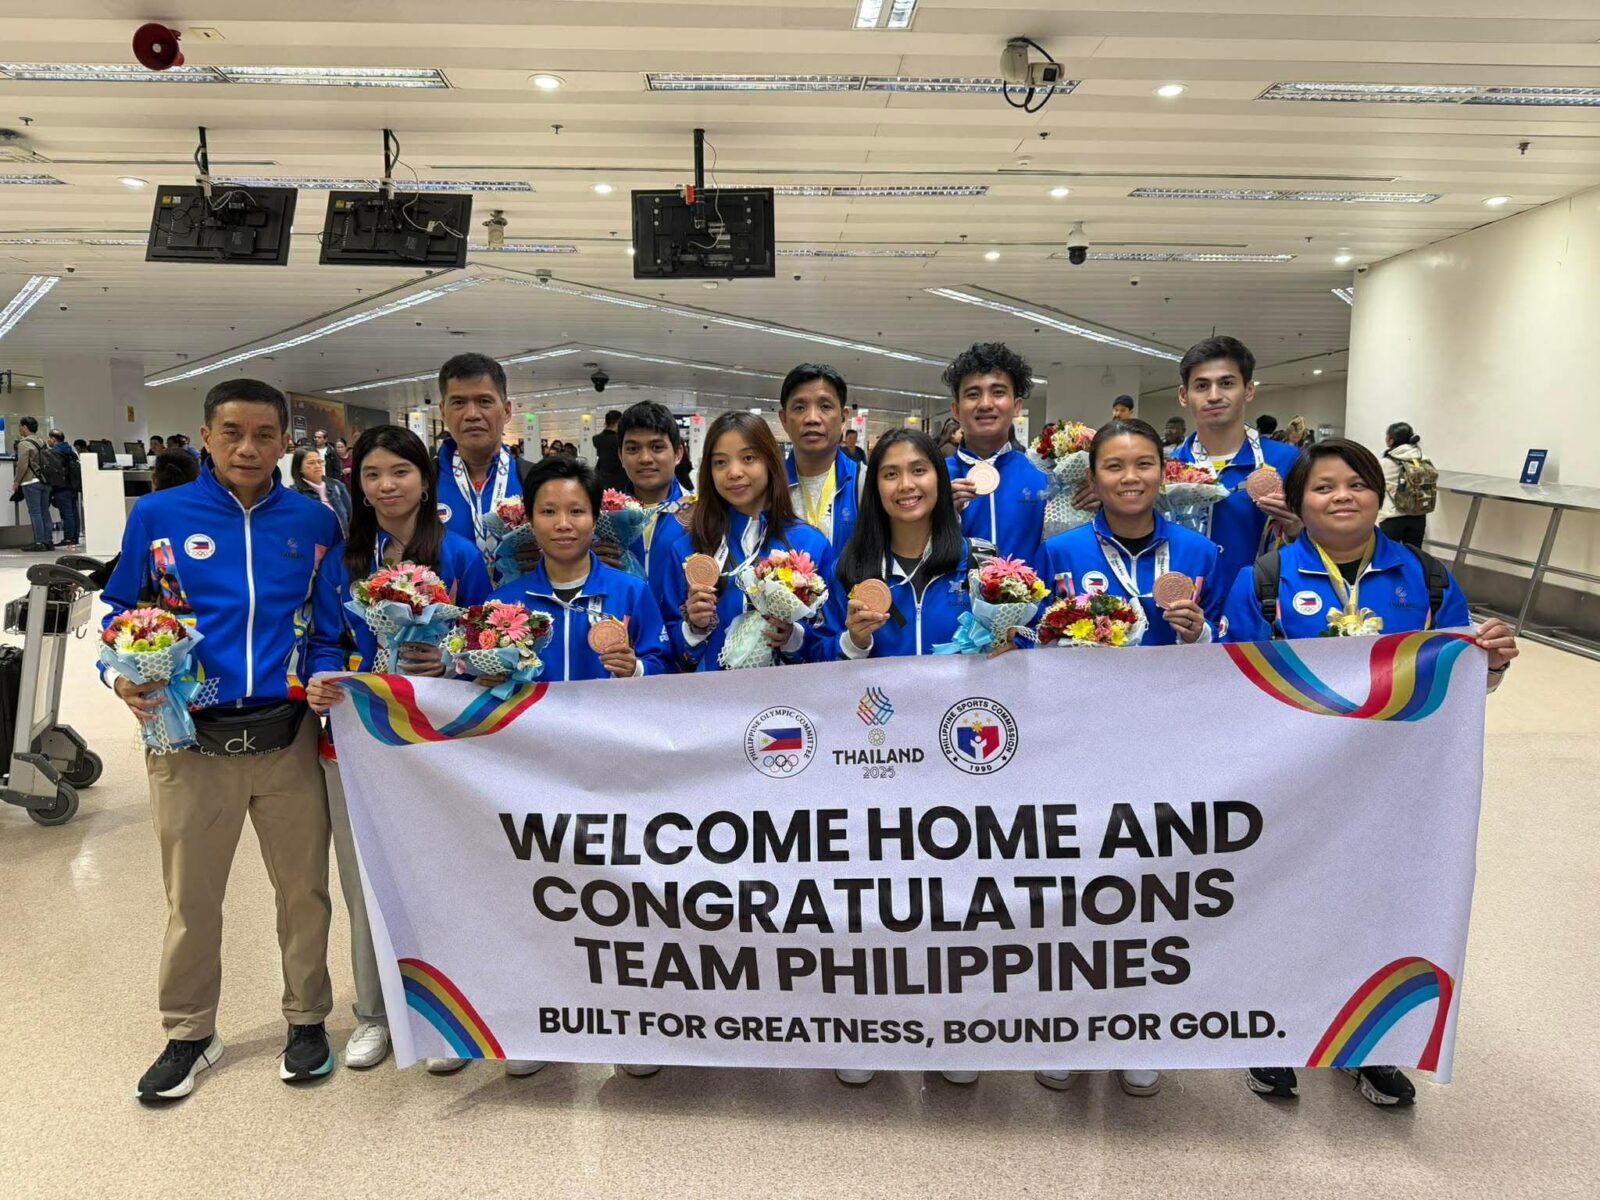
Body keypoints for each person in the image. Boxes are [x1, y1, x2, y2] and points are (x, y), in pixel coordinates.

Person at [1219, 438, 1519, 1109]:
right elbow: (1231, 685)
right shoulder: (1263, 580)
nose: (1342, 497)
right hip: (1293, 783)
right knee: (1283, 902)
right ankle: (1272, 1033)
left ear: (1379, 495)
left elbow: (1464, 681)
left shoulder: (1426, 578)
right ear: (1299, 502)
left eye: (1356, 484)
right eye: (1323, 487)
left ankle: (1371, 1044)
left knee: (1380, 908)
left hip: (1395, 786)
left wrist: (1492, 662)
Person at [101, 378, 346, 1103]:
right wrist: (119, 676)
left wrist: (324, 673)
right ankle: (189, 1031)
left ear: (284, 443)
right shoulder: (160, 515)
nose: (248, 448)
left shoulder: (314, 523)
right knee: (192, 897)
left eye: (265, 434)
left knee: (304, 892)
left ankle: (307, 1019)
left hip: (286, 737)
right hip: (186, 741)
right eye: (232, 433)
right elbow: (118, 609)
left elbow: (327, 626)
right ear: (206, 437)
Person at [307, 425, 491, 1074]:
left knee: (445, 875)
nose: (387, 486)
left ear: (424, 479)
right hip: (358, 742)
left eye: (400, 472)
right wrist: (323, 677)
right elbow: (324, 640)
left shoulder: (460, 556)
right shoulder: (344, 562)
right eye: (373, 475)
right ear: (358, 486)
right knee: (365, 882)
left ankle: (447, 1017)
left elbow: (486, 641)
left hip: (439, 745)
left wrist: (450, 662)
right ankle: (375, 1014)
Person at [663, 412, 836, 672]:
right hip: (712, 695)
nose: (734, 472)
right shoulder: (688, 550)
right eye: (720, 462)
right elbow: (669, 653)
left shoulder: (810, 545)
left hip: (787, 696)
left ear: (770, 462)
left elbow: (827, 643)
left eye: (748, 458)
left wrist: (793, 638)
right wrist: (694, 628)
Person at [482, 455, 671, 682]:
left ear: (595, 519)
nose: (563, 524)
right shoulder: (503, 604)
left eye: (576, 511)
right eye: (548, 512)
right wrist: (488, 679)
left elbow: (664, 667)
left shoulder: (632, 593)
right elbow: (479, 680)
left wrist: (635, 669)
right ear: (530, 520)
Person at [1039, 419, 1223, 651]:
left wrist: (1200, 634)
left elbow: (1225, 637)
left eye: (1144, 464)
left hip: (1177, 675)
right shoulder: (1058, 553)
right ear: (1092, 479)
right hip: (1087, 675)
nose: (1130, 477)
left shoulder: (1201, 553)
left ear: (1162, 473)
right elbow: (1035, 636)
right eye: (1114, 467)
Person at [1168, 336, 1303, 590]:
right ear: (1184, 395)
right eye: (1202, 386)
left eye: (1226, 383)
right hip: (1183, 606)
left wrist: (1298, 527)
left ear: (1248, 390)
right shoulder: (1167, 469)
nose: (1214, 396)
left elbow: (1328, 545)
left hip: (1262, 604)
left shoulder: (1288, 462)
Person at [431, 353, 541, 584]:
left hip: (525, 605)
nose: (472, 414)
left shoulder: (537, 480)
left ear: (507, 410)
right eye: (458, 402)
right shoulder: (424, 482)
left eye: (484, 401)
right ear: (443, 411)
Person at [943, 343, 1049, 567]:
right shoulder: (935, 478)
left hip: (1033, 590)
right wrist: (941, 515)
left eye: (998, 392)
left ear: (1017, 406)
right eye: (973, 394)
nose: (985, 404)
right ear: (956, 410)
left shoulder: (1043, 477)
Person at [779, 363, 864, 556]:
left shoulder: (865, 485)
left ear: (843, 418)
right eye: (799, 407)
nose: (812, 418)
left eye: (825, 406)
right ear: (784, 419)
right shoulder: (768, 488)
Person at [618, 401, 695, 614]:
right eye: (633, 449)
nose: (645, 458)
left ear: (678, 453)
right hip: (622, 632)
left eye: (657, 447)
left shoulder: (700, 514)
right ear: (620, 456)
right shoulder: (604, 519)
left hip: (685, 631)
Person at [1378, 422, 1431, 549]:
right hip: (1418, 515)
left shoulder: (1385, 462)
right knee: (1414, 555)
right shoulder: (1423, 459)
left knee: (1389, 556)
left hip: (1391, 517)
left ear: (1390, 440)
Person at [13, 416, 55, 550]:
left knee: (35, 513)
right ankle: (48, 541)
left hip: (31, 481)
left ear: (25, 427)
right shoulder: (42, 441)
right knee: (44, 511)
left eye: (20, 426)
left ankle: (39, 542)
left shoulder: (24, 443)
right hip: (45, 480)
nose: (19, 429)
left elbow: (22, 465)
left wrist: (16, 482)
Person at [291, 446, 352, 537]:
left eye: (319, 462)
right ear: (299, 468)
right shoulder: (295, 494)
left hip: (344, 541)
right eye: (311, 463)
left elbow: (351, 515)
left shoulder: (336, 485)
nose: (317, 466)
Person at [46, 430, 82, 548]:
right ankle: (74, 537)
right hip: (72, 486)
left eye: (49, 438)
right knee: (73, 512)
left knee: (66, 514)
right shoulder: (71, 451)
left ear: (53, 439)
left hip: (61, 487)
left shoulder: (54, 452)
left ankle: (68, 538)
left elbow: (53, 471)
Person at [591, 409, 628, 493]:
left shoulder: (596, 439)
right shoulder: (620, 439)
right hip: (620, 476)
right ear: (619, 422)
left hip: (601, 475)